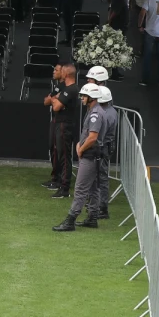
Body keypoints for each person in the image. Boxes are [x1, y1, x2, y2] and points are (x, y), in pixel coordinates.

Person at [53, 83, 107, 231]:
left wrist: (81, 148)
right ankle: (92, 217)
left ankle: (70, 220)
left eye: (84, 96)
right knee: (93, 188)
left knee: (80, 188)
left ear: (92, 97)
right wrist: (79, 144)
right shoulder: (95, 111)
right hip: (94, 155)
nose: (82, 98)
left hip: (90, 156)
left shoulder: (95, 114)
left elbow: (92, 137)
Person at [43, 64, 80, 197]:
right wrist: (55, 98)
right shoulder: (66, 89)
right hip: (61, 123)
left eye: (62, 71)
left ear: (66, 74)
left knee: (64, 156)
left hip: (66, 124)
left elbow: (56, 107)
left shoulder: (71, 89)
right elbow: (50, 102)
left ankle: (64, 188)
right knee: (59, 153)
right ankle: (60, 182)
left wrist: (55, 99)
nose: (60, 73)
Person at [95, 84, 117, 220]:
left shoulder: (105, 114)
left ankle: (102, 207)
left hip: (103, 147)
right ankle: (100, 205)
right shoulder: (112, 111)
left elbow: (100, 135)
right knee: (100, 177)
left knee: (101, 177)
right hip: (107, 146)